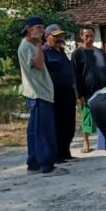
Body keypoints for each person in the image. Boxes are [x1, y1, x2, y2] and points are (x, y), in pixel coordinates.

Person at [18, 16, 65, 176]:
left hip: (41, 93)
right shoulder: (27, 46)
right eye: (38, 27)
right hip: (37, 94)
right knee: (44, 131)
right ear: (29, 29)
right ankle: (46, 166)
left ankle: (33, 164)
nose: (41, 30)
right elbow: (37, 65)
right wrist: (39, 45)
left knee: (34, 132)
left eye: (42, 27)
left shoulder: (30, 45)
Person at [72, 26, 106, 153]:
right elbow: (75, 76)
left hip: (103, 90)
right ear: (81, 36)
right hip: (87, 92)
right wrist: (79, 95)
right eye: (86, 36)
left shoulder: (99, 52)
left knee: (105, 116)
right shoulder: (77, 54)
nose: (89, 38)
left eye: (91, 35)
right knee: (87, 117)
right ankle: (86, 143)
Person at [42, 24, 77, 163]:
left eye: (60, 35)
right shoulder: (44, 52)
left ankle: (65, 152)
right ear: (47, 37)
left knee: (69, 124)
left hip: (68, 92)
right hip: (55, 94)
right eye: (55, 36)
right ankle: (57, 155)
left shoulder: (61, 51)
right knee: (57, 125)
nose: (59, 38)